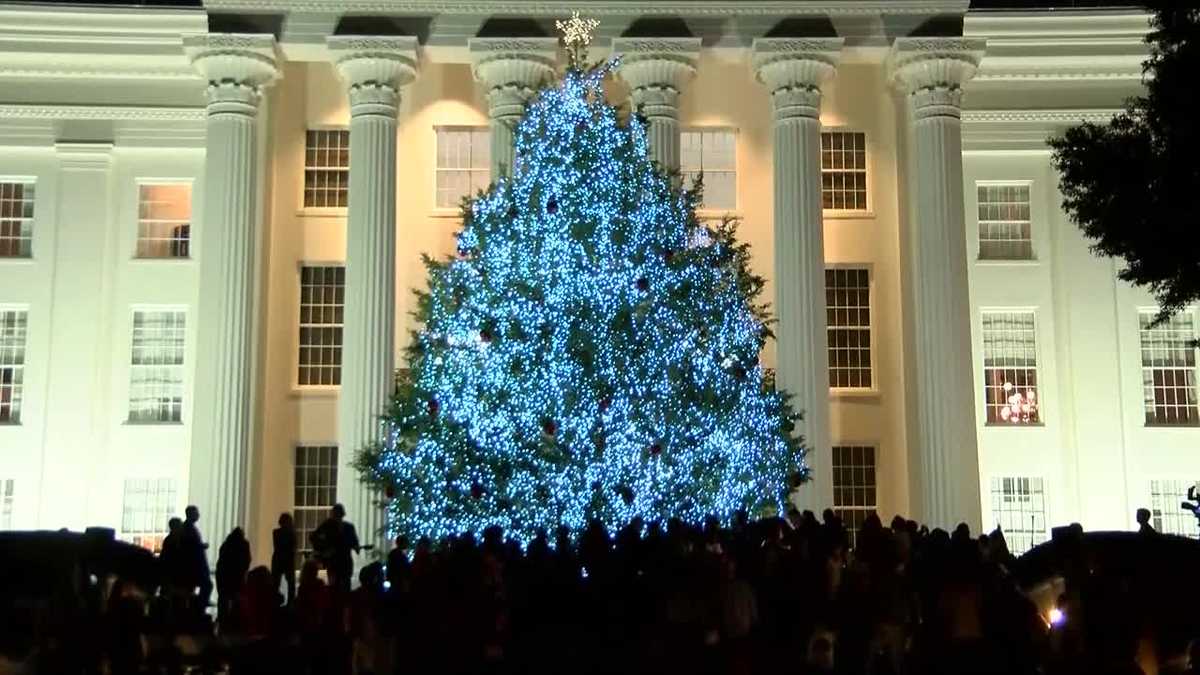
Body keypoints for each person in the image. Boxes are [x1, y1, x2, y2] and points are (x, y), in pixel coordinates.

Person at [311, 503, 360, 593]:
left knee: (345, 586)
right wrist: (323, 549)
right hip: (333, 562)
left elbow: (354, 542)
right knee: (334, 588)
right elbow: (314, 537)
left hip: (345, 562)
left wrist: (356, 547)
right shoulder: (327, 525)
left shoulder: (348, 527)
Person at [215, 527, 251, 631]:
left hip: (223, 574)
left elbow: (221, 559)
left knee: (223, 598)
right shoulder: (244, 544)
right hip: (237, 575)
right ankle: (235, 619)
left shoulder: (226, 544)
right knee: (236, 597)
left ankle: (222, 618)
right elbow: (247, 560)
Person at [180, 505, 212, 611]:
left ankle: (196, 607)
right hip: (194, 567)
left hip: (193, 566)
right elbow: (190, 546)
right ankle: (198, 608)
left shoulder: (188, 527)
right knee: (206, 585)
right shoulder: (188, 528)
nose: (198, 515)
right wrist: (202, 546)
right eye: (196, 512)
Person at [272, 512, 297, 605]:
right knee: (290, 584)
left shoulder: (276, 532)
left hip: (278, 559)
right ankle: (290, 604)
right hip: (287, 560)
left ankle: (275, 603)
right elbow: (293, 548)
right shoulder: (291, 533)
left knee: (276, 583)